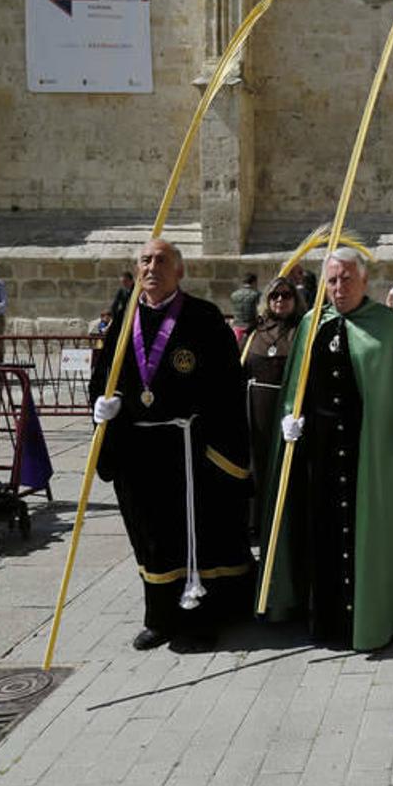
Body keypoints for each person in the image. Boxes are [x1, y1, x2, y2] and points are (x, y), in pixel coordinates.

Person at [262, 248, 393, 649]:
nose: (338, 287)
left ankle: (377, 614)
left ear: (366, 281)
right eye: (331, 280)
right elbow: (296, 386)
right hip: (320, 453)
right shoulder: (313, 324)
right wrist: (291, 420)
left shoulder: (387, 326)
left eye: (346, 278)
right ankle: (325, 619)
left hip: (371, 450)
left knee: (366, 534)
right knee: (323, 536)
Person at [89, 239, 254, 651]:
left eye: (162, 260)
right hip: (137, 449)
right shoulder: (122, 322)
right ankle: (159, 618)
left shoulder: (203, 318)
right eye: (145, 260)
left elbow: (228, 386)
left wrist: (215, 441)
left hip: (188, 448)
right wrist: (101, 408)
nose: (152, 267)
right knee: (150, 535)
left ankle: (201, 620)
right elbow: (103, 374)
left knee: (196, 532)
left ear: (179, 271)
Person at [240, 277, 306, 535]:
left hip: (285, 410)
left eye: (286, 295)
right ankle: (255, 523)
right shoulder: (254, 331)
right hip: (254, 410)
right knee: (256, 464)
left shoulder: (302, 331)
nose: (280, 300)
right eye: (274, 295)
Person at [229, 273, 261, 341]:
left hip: (236, 327)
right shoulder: (256, 294)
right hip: (251, 327)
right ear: (254, 282)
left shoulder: (234, 295)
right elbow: (259, 311)